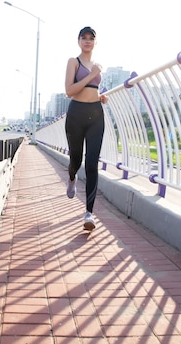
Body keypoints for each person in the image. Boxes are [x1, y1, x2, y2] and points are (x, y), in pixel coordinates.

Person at [64, 26, 108, 231]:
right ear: (79, 41)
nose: (88, 41)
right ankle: (72, 177)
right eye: (84, 38)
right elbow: (69, 90)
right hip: (76, 114)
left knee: (91, 164)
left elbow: (93, 89)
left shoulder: (97, 65)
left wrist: (100, 96)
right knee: (76, 159)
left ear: (96, 42)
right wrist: (92, 75)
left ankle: (89, 213)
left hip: (96, 114)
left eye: (91, 38)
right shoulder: (74, 62)